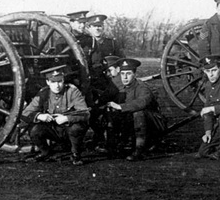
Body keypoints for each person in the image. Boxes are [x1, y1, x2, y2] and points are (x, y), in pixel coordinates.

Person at [22, 65, 90, 166]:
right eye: (53, 82)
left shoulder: (72, 91)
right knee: (34, 130)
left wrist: (66, 118)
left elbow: (85, 113)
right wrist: (39, 116)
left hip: (69, 129)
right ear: (48, 82)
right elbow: (25, 113)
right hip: (53, 130)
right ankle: (46, 153)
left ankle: (76, 154)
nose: (57, 85)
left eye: (60, 81)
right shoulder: (44, 93)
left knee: (76, 128)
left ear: (64, 80)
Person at [101, 57, 167, 161]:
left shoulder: (142, 87)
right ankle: (113, 147)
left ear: (135, 74)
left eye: (128, 74)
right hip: (134, 124)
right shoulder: (120, 87)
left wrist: (120, 106)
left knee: (138, 112)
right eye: (122, 74)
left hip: (153, 124)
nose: (125, 77)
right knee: (110, 111)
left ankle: (139, 149)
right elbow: (104, 99)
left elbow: (141, 103)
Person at [82, 14, 123, 151]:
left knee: (109, 110)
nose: (98, 29)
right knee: (93, 110)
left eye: (100, 26)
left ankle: (109, 139)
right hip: (92, 82)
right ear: (89, 28)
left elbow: (122, 61)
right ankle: (98, 137)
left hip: (110, 81)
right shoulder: (85, 43)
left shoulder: (111, 43)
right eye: (95, 26)